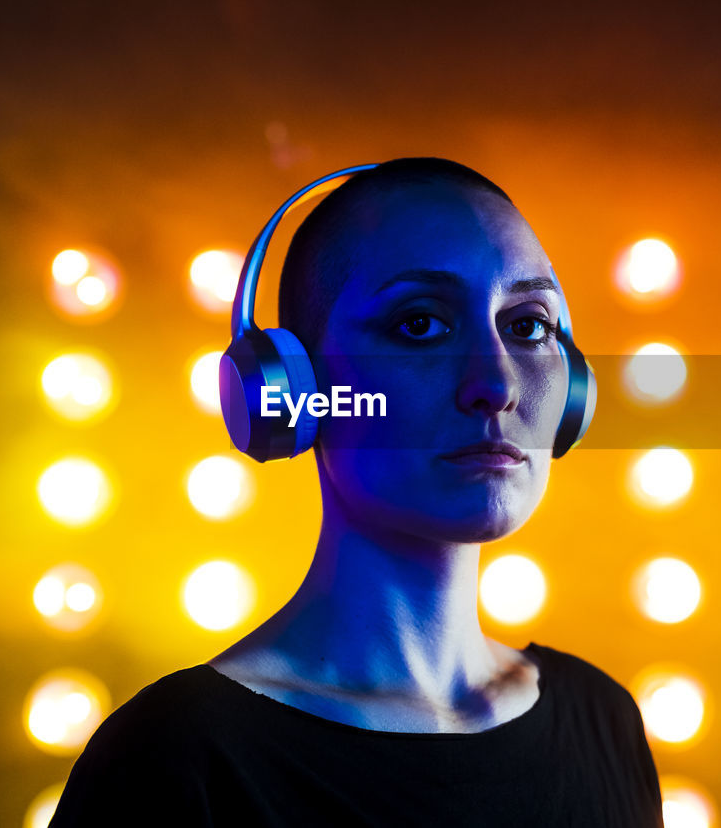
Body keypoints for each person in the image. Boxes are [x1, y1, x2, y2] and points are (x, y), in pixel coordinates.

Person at [49, 158, 664, 826]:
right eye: (420, 325)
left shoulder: (605, 722)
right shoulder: (173, 760)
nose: (497, 382)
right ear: (296, 391)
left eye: (526, 326)